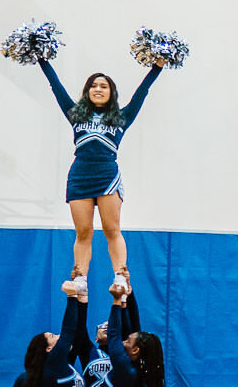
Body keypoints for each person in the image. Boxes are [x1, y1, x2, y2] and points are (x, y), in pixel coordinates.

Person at [37, 59, 162, 297]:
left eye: (104, 86)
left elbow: (142, 92)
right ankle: (81, 278)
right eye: (94, 85)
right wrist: (42, 59)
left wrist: (157, 66)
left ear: (111, 92)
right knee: (83, 232)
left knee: (111, 229)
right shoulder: (75, 114)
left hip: (107, 175)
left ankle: (120, 276)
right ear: (87, 91)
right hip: (80, 175)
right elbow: (56, 87)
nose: (98, 89)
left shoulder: (122, 116)